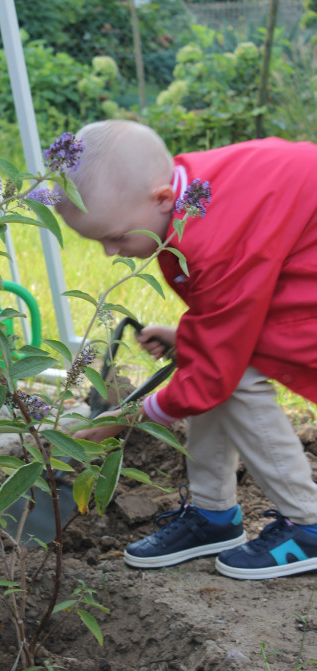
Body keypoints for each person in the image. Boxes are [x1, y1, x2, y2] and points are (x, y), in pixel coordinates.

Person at [57, 118, 317, 581]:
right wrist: (192, 338)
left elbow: (220, 361)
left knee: (231, 374)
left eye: (115, 237)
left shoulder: (214, 236)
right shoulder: (185, 198)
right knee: (216, 361)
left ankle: (309, 522)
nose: (110, 254)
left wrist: (125, 419)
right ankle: (214, 514)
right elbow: (228, 314)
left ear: (160, 198)